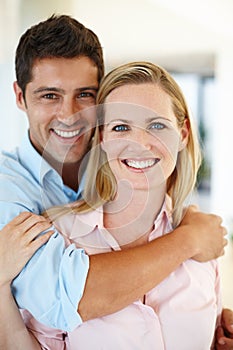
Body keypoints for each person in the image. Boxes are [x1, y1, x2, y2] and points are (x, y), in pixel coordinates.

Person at [0, 14, 231, 349]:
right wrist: (188, 241)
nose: (70, 115)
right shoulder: (14, 198)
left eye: (85, 95)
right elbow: (69, 299)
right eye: (49, 95)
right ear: (20, 97)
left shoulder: (197, 233)